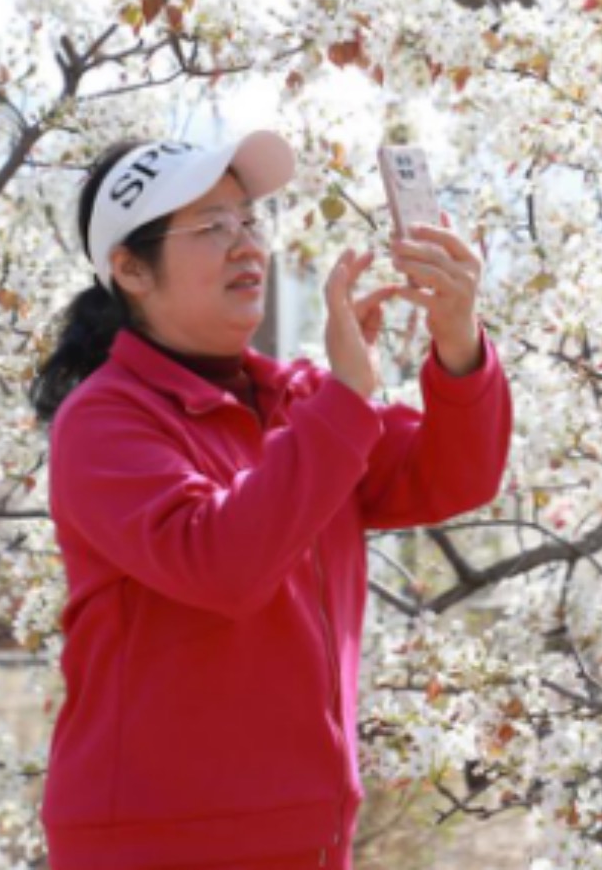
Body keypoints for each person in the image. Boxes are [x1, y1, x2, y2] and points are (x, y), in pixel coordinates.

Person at [30, 131, 514, 870]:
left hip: (308, 837)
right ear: (130, 268)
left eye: (249, 220)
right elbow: (223, 563)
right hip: (157, 844)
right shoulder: (104, 420)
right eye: (210, 228)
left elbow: (453, 476)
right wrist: (346, 399)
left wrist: (457, 339)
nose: (245, 245)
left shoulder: (300, 401)